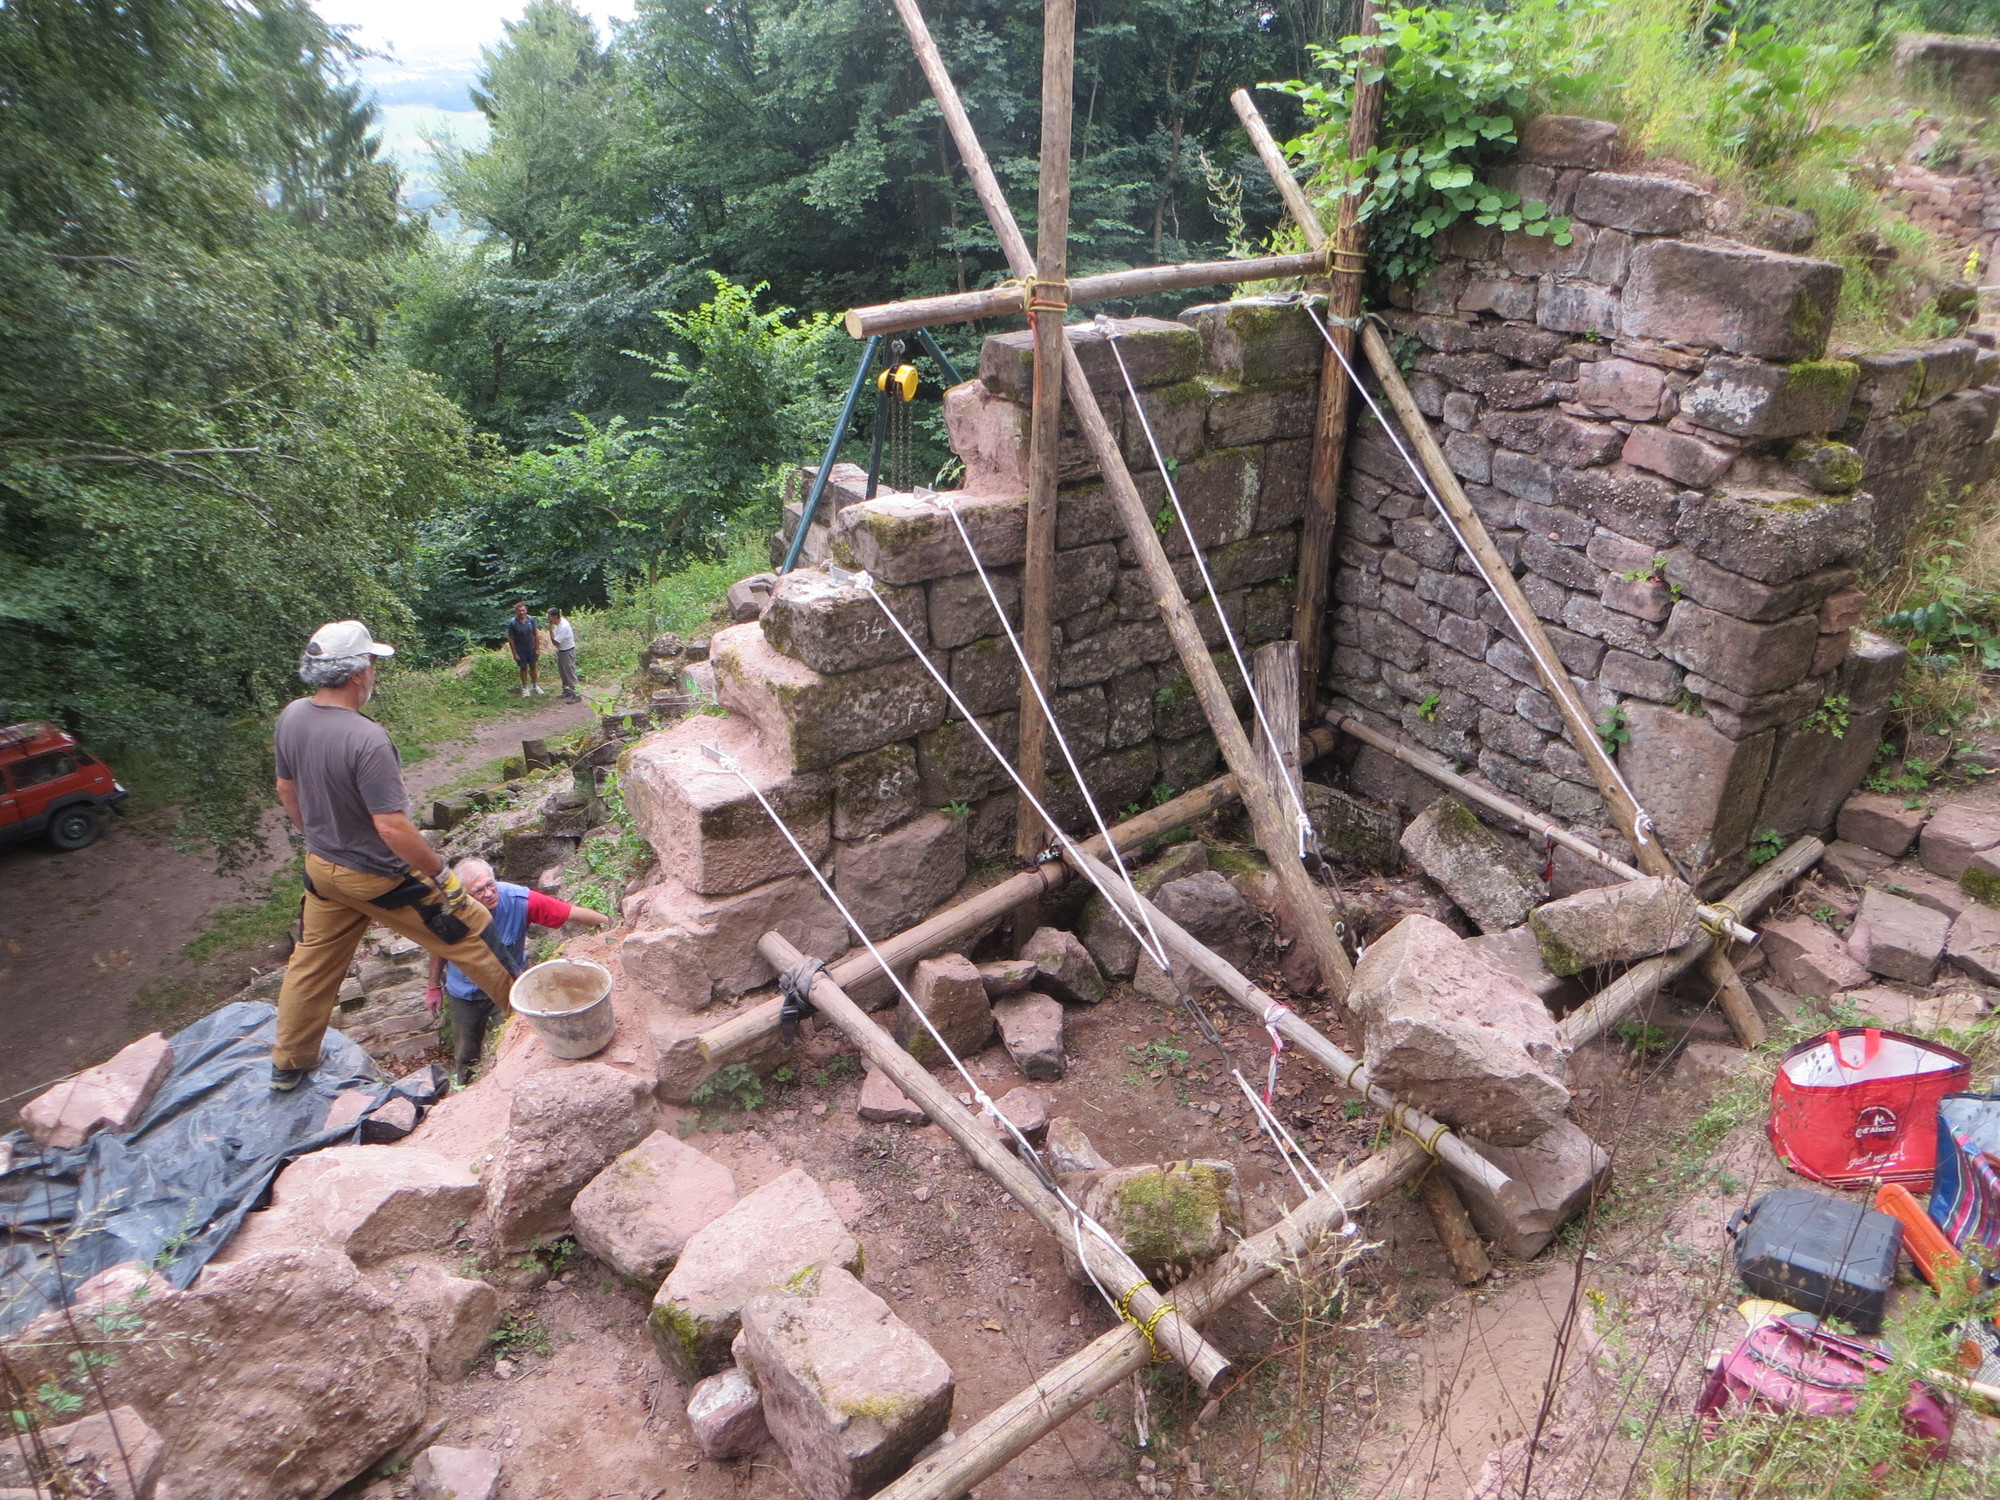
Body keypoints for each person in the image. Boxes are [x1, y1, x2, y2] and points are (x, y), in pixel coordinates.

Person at [269, 621, 521, 1091]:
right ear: (358, 673)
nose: (374, 672)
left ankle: (288, 1065)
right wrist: (443, 875)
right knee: (474, 930)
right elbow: (391, 826)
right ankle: (536, 1020)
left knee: (311, 965)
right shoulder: (367, 739)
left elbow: (286, 789)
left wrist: (321, 837)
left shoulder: (293, 716)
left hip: (322, 871)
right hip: (380, 878)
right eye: (372, 663)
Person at [424, 857, 609, 1082]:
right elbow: (439, 948)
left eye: (490, 884)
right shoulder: (450, 912)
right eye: (479, 891)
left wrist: (610, 924)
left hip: (508, 988)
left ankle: (513, 1082)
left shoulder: (518, 900)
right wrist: (433, 987)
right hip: (464, 993)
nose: (489, 893)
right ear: (463, 894)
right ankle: (466, 1087)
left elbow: (568, 912)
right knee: (466, 1052)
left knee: (513, 1042)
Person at [507, 602, 542, 697]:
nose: (521, 612)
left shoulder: (531, 620)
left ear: (526, 610)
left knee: (533, 666)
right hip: (520, 650)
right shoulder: (513, 623)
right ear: (516, 611)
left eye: (523, 610)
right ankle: (525, 687)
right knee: (523, 668)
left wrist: (537, 648)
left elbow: (535, 634)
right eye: (519, 611)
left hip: (531, 648)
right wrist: (514, 653)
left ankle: (535, 685)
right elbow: (511, 639)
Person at [548, 607, 580, 703]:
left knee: (570, 673)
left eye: (550, 616)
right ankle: (566, 691)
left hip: (567, 651)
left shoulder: (563, 626)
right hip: (561, 650)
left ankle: (577, 694)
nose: (549, 619)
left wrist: (550, 632)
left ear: (555, 616)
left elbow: (556, 643)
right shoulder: (558, 624)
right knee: (562, 672)